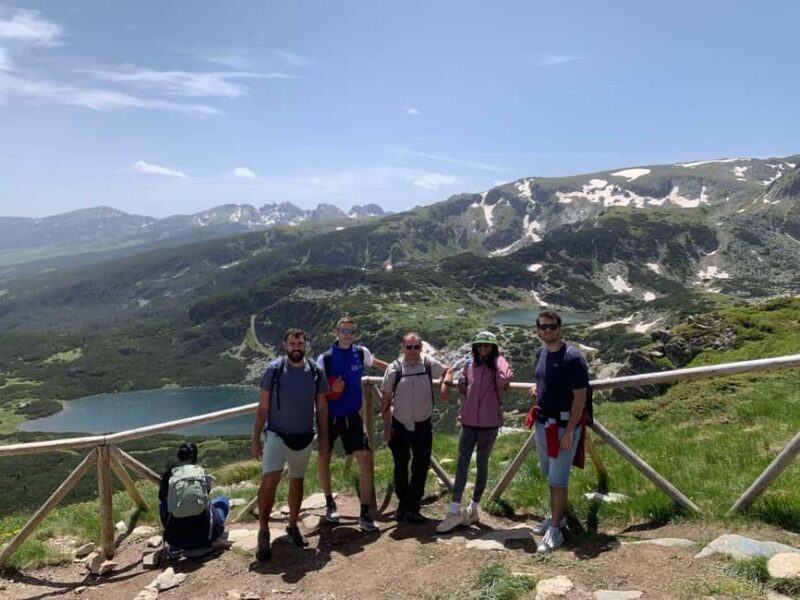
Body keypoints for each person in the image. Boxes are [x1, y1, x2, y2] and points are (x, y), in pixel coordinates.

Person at [252, 328, 329, 562]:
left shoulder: (315, 371)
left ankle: (292, 525)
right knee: (269, 483)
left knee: (297, 482)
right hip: (276, 435)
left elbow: (322, 407)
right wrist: (255, 438)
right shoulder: (273, 370)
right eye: (292, 343)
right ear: (285, 345)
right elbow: (263, 406)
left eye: (300, 343)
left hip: (304, 436)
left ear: (305, 345)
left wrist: (324, 438)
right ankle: (263, 531)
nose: (296, 346)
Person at [316, 316, 388, 532]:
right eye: (344, 330)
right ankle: (330, 504)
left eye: (352, 331)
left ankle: (365, 513)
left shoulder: (360, 352)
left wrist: (399, 370)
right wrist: (332, 391)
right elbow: (316, 391)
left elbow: (377, 364)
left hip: (353, 417)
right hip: (329, 417)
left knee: (366, 459)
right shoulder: (325, 359)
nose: (348, 334)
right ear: (336, 332)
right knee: (324, 457)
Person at [436, 331, 513, 533]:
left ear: (494, 348)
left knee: (482, 464)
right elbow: (463, 382)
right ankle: (454, 509)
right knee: (462, 463)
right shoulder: (470, 364)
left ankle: (473, 507)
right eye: (480, 346)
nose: (483, 349)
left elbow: (503, 381)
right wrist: (459, 383)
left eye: (487, 346)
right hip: (469, 421)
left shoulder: (498, 363)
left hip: (489, 423)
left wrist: (498, 360)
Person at [527, 309, 589, 553]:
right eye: (543, 327)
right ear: (538, 330)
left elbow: (579, 400)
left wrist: (570, 432)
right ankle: (558, 517)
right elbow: (544, 379)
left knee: (558, 479)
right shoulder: (540, 352)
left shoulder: (573, 358)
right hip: (543, 424)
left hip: (563, 426)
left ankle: (555, 530)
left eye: (552, 327)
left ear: (560, 328)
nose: (547, 331)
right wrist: (536, 388)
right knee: (548, 473)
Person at [380, 332, 453, 523]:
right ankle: (404, 505)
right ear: (402, 348)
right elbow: (385, 399)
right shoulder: (394, 369)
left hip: (422, 424)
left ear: (421, 347)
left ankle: (411, 507)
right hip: (400, 424)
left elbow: (448, 370)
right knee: (401, 465)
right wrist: (387, 427)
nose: (413, 351)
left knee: (420, 465)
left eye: (416, 347)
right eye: (409, 347)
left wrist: (445, 384)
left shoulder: (428, 363)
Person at [158, 442, 230, 555]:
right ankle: (211, 543)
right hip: (207, 536)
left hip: (176, 540)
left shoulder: (169, 476)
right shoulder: (201, 473)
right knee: (223, 501)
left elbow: (162, 499)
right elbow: (206, 495)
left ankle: (175, 547)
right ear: (195, 457)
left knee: (162, 505)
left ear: (178, 456)